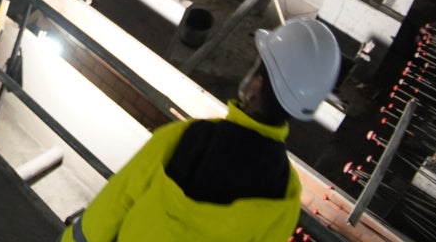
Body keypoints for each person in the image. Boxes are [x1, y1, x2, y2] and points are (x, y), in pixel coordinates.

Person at [61, 18, 341, 242]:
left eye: (256, 67)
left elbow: (114, 205)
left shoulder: (187, 138)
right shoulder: (286, 197)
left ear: (255, 88)